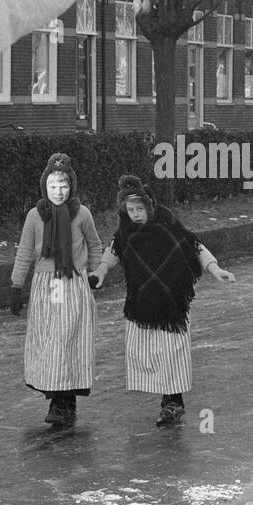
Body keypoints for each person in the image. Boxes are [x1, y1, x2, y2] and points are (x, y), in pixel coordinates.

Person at [91, 175, 235, 427]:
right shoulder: (127, 231)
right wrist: (101, 271)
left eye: (139, 209)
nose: (135, 214)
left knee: (171, 351)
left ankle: (173, 402)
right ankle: (164, 395)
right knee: (147, 351)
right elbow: (113, 251)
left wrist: (215, 268)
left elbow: (195, 246)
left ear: (149, 206)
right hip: (143, 301)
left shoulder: (167, 223)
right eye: (130, 209)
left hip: (172, 303)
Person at [9, 153, 102, 427]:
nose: (58, 191)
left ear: (71, 186)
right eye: (53, 185)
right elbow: (25, 251)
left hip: (73, 283)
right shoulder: (34, 217)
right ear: (44, 187)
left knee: (68, 341)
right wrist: (16, 285)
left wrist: (96, 274)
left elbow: (94, 245)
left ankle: (64, 401)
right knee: (50, 342)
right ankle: (57, 397)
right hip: (45, 287)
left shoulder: (82, 214)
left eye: (63, 185)